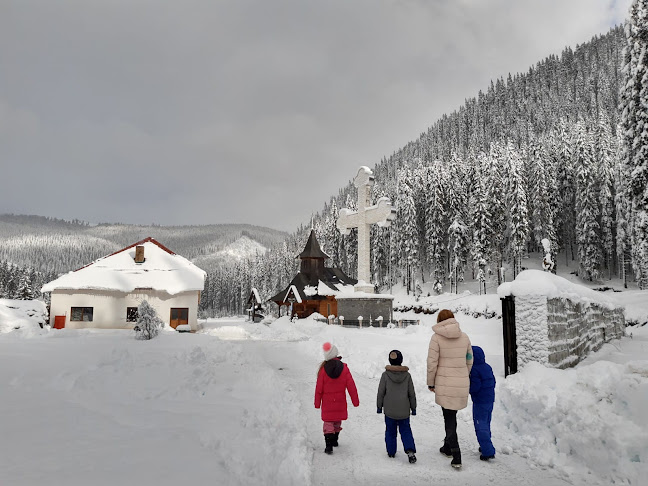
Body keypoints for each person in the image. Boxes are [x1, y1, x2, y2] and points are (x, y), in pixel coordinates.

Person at [427, 309, 473, 469]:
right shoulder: (465, 337)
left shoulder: (436, 338)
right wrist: (463, 375)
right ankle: (447, 447)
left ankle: (456, 454)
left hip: (444, 383)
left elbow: (432, 363)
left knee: (449, 418)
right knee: (451, 415)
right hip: (460, 383)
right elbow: (469, 359)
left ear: (439, 320)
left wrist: (431, 383)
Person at [314, 342, 360, 454]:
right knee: (337, 421)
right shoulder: (344, 368)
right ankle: (335, 440)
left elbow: (318, 388)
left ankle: (328, 445)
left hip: (327, 403)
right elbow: (351, 386)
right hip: (340, 402)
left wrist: (317, 403)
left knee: (328, 422)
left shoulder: (323, 370)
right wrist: (355, 401)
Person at [376, 350, 417, 463]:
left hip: (389, 410)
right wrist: (413, 408)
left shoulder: (385, 375)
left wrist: (379, 406)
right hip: (404, 411)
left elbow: (381, 392)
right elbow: (411, 393)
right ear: (401, 360)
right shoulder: (407, 375)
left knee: (390, 431)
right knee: (406, 430)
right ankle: (410, 451)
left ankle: (391, 452)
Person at [469, 345, 496, 460]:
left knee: (480, 426)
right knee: (486, 423)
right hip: (490, 399)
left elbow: (475, 386)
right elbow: (493, 381)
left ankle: (488, 451)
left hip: (480, 401)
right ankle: (485, 444)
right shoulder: (487, 367)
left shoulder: (474, 369)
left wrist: (468, 390)